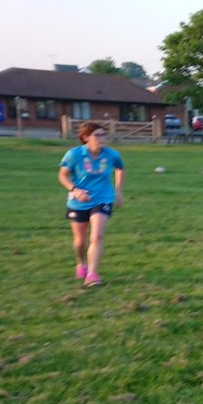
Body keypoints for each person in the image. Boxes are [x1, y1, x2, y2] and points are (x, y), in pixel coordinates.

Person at [58, 122, 126, 287]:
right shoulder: (74, 155)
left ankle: (92, 274)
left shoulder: (112, 155)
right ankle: (81, 264)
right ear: (85, 137)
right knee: (80, 241)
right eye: (97, 135)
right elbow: (62, 176)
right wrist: (75, 190)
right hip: (78, 201)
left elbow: (120, 168)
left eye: (103, 135)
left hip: (103, 198)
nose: (102, 138)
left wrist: (117, 191)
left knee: (96, 236)